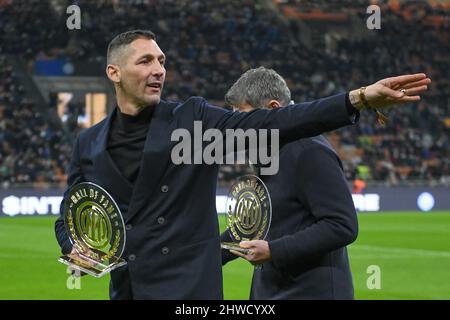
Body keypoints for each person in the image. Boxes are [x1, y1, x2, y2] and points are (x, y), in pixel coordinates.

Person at [54, 29, 430, 299]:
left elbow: (275, 122)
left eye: (162, 61)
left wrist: (358, 99)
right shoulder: (89, 141)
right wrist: (75, 247)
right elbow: (71, 209)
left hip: (188, 292)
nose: (159, 70)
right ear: (114, 73)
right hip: (127, 289)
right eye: (146, 60)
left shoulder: (191, 122)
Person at [221, 67, 359, 299]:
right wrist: (207, 255)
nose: (239, 128)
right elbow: (257, 224)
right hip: (277, 290)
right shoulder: (269, 152)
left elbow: (342, 225)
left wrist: (274, 250)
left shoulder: (309, 150)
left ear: (274, 109)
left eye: (243, 116)